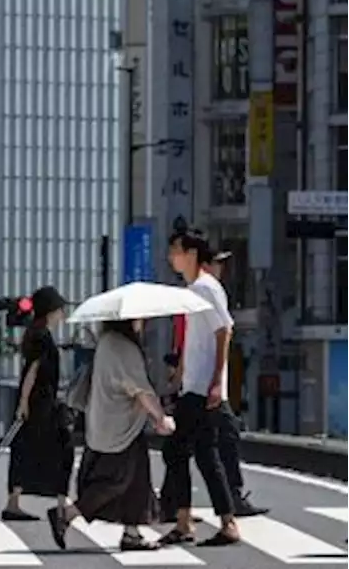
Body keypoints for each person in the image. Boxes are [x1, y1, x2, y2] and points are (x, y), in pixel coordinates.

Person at [47, 318, 174, 552]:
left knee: (137, 481)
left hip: (109, 421)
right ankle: (67, 514)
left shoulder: (106, 341)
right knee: (117, 479)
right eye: (138, 319)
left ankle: (132, 533)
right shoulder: (122, 346)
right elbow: (139, 389)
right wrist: (159, 417)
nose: (141, 323)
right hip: (120, 426)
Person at [160, 229, 241, 547]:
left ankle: (193, 521)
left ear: (192, 253)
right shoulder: (194, 289)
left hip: (203, 389)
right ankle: (217, 521)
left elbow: (224, 332)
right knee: (203, 454)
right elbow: (198, 340)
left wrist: (217, 383)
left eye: (176, 251)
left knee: (179, 451)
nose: (172, 257)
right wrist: (180, 372)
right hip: (194, 385)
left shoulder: (206, 288)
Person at [2, 286, 74, 522]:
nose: (62, 313)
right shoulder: (41, 336)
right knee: (63, 447)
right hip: (40, 402)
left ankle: (15, 501)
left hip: (38, 400)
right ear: (51, 310)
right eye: (60, 309)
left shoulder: (37, 333)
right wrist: (24, 402)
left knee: (25, 449)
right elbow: (32, 370)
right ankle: (61, 501)